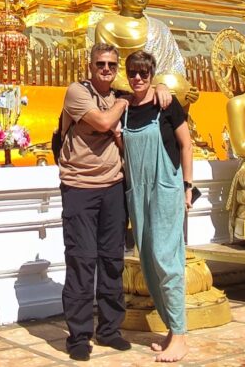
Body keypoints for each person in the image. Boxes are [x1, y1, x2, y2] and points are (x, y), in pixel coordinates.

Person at [57, 43, 170, 362]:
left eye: (111, 65)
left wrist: (161, 85)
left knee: (111, 260)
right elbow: (104, 123)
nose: (106, 69)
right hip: (79, 186)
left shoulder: (122, 94)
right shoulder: (78, 92)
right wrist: (123, 102)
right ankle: (79, 336)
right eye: (100, 64)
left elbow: (147, 90)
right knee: (81, 260)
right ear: (90, 66)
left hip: (113, 187)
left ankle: (109, 329)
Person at [120, 51, 192, 364]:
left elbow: (186, 144)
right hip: (137, 192)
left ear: (152, 74)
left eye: (144, 73)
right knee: (148, 262)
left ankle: (181, 336)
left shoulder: (166, 104)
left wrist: (187, 186)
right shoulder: (123, 108)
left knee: (166, 258)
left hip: (165, 187)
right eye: (133, 73)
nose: (138, 78)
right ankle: (172, 330)